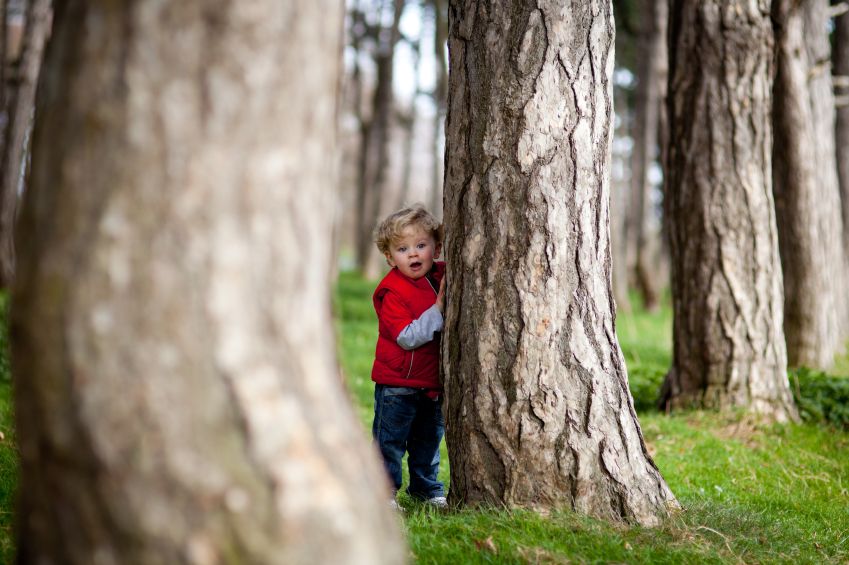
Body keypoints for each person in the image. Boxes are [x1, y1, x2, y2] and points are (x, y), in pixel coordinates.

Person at [370, 204, 447, 510]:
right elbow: (407, 337)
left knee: (428, 442)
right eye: (402, 249)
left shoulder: (441, 276)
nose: (413, 254)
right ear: (390, 258)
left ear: (436, 248)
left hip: (431, 384)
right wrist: (438, 310)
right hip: (397, 384)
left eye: (421, 245)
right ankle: (382, 492)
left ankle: (427, 490)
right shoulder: (392, 291)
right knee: (390, 442)